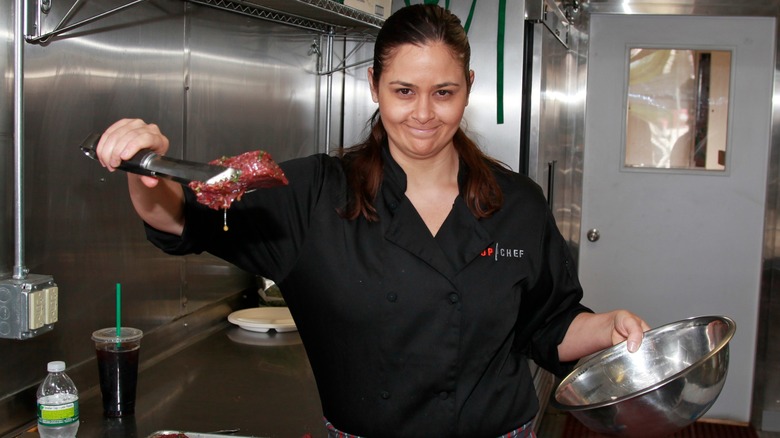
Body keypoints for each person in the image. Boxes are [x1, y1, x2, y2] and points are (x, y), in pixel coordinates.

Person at [96, 4, 649, 437]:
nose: (424, 114)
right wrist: (145, 166)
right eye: (404, 91)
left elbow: (548, 323)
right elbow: (177, 219)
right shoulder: (312, 194)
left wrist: (609, 328)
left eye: (444, 92)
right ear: (373, 86)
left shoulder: (518, 203)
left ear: (469, 88)